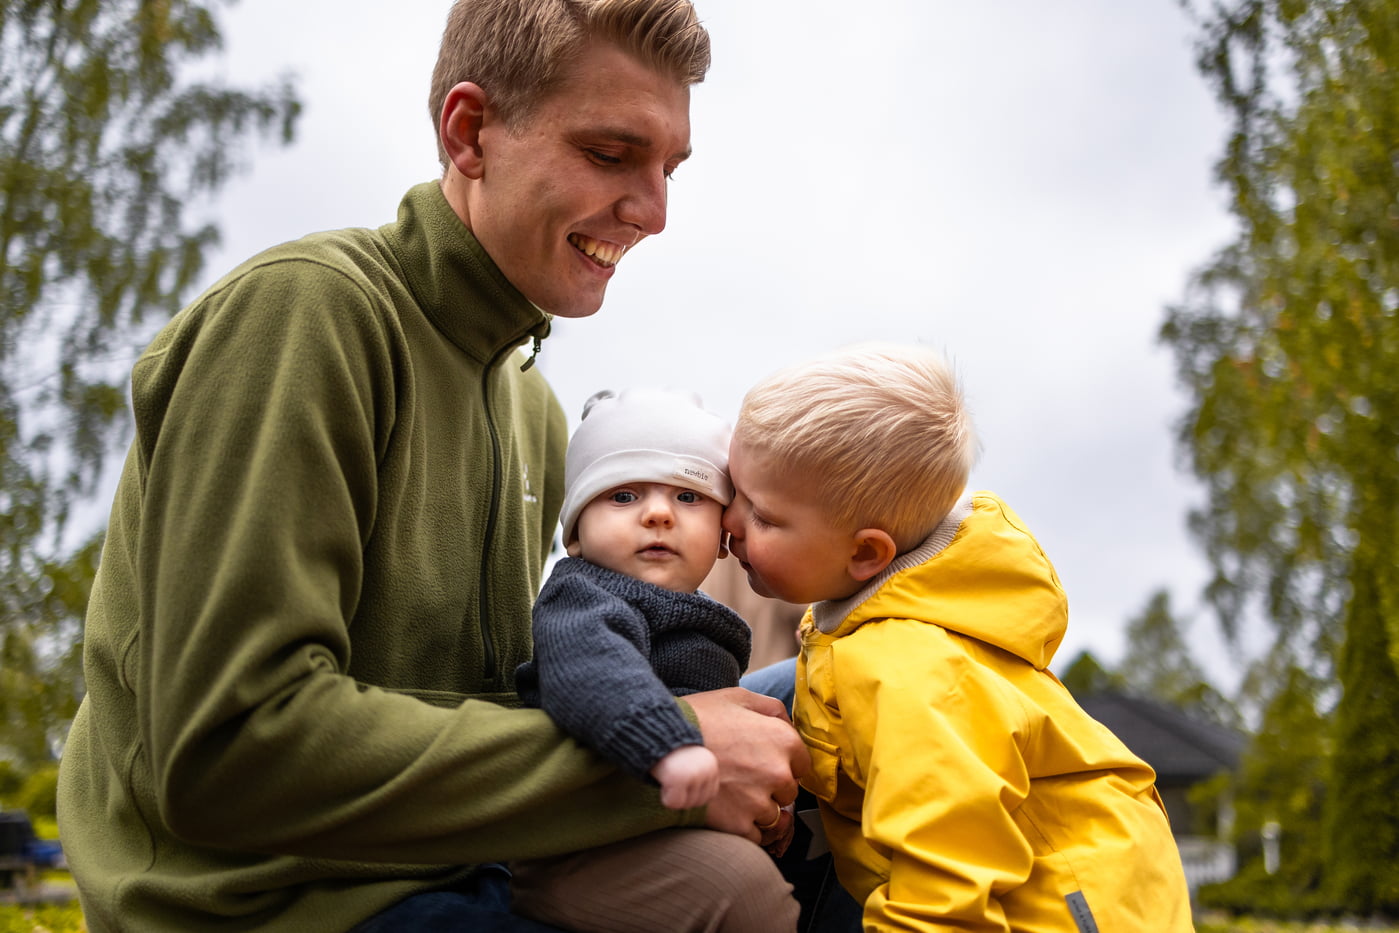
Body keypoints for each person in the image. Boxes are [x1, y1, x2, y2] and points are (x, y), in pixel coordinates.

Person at [55, 2, 807, 931]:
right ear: (469, 131)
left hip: (468, 871)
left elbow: (499, 708)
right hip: (279, 909)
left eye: (669, 168)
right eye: (611, 156)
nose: (652, 212)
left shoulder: (530, 408)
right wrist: (669, 762)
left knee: (827, 707)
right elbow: (229, 754)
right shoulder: (306, 317)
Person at [723, 343, 1196, 932]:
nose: (729, 522)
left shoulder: (911, 669)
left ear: (867, 553)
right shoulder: (875, 619)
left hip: (1061, 913)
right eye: (733, 491)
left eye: (762, 516)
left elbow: (949, 866)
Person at [508, 387, 798, 932]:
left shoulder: (693, 608)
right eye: (623, 497)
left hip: (655, 826)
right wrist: (670, 745)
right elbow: (592, 675)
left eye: (689, 497)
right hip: (575, 846)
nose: (659, 514)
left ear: (721, 536)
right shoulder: (585, 596)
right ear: (574, 534)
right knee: (752, 895)